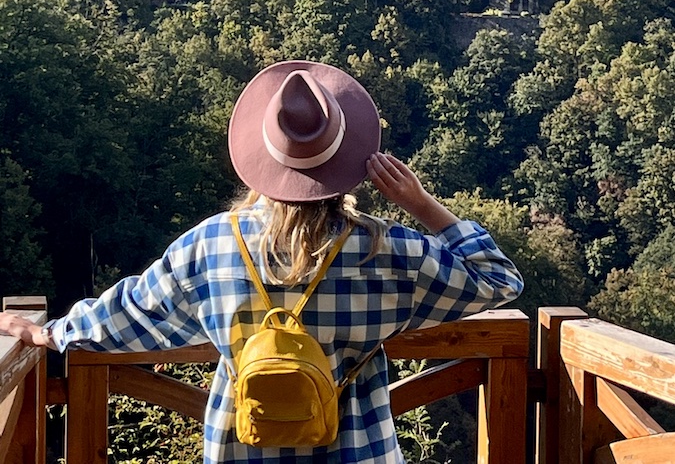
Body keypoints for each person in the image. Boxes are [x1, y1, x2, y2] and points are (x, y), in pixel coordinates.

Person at [0, 60, 523, 463]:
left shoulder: (211, 246)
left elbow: (127, 313)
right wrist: (422, 205)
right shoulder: (384, 251)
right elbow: (499, 279)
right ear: (348, 161)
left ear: (262, 159)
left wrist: (48, 334)